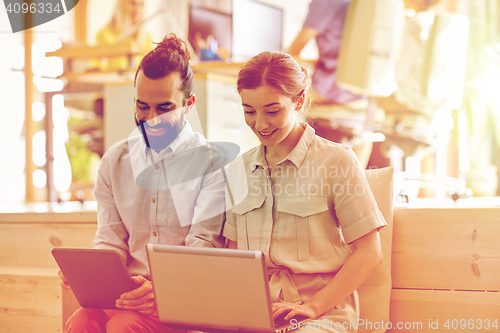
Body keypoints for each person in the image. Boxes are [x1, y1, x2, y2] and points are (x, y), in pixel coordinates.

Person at [59, 34, 226, 332]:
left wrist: (160, 291)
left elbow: (202, 248)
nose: (151, 120)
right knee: (81, 321)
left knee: (125, 326)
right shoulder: (115, 161)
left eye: (164, 108)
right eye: (142, 107)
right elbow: (109, 238)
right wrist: (90, 274)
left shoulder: (211, 163)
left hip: (182, 300)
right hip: (125, 297)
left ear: (189, 105)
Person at [223, 51, 386, 332]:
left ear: (298, 100)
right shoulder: (238, 170)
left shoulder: (337, 161)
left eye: (272, 111)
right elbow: (235, 258)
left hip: (320, 314)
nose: (260, 124)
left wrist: (312, 307)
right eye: (249, 111)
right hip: (257, 313)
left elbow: (370, 252)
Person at [287, 0, 361, 105]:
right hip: (358, 90)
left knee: (278, 93)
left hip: (330, 88)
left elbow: (290, 54)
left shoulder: (324, 2)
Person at [90, 0, 153, 71]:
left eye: (141, 5)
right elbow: (97, 65)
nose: (137, 9)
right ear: (121, 5)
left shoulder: (147, 36)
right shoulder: (104, 34)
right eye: (132, 3)